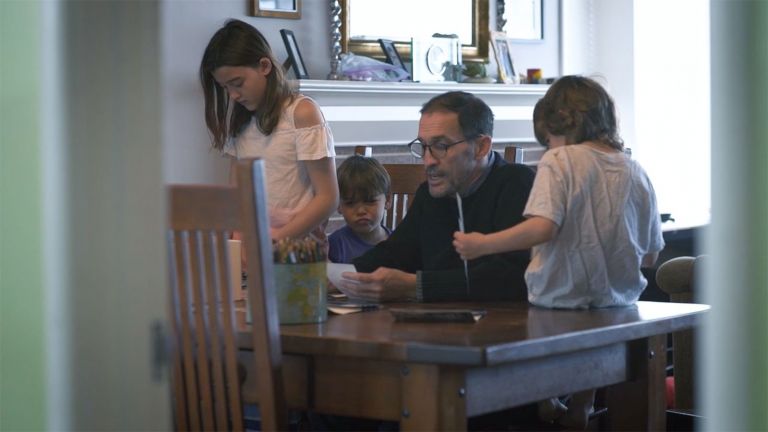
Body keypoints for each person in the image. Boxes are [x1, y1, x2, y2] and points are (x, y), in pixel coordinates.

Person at [453, 75, 665, 429]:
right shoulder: (635, 170)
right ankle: (581, 405)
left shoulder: (561, 160)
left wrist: (482, 244)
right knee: (590, 342)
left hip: (560, 302)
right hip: (618, 307)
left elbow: (543, 227)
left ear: (559, 123)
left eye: (547, 139)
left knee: (521, 326)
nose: (548, 147)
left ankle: (546, 398)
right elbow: (650, 257)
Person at [338, 91, 536, 302]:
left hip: (503, 328)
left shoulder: (516, 183)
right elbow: (395, 253)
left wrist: (415, 287)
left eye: (441, 146)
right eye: (423, 147)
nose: (428, 160)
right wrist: (338, 276)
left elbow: (511, 277)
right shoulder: (430, 193)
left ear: (481, 147)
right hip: (434, 326)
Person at [200, 19, 338, 243]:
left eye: (237, 83)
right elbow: (236, 193)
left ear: (264, 66)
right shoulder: (240, 121)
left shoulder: (302, 112)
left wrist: (273, 242)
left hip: (294, 250)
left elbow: (328, 198)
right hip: (248, 247)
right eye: (226, 87)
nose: (233, 95)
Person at [328, 155, 392, 264]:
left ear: (387, 200)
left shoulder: (399, 244)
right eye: (350, 203)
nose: (361, 211)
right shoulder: (335, 245)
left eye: (370, 201)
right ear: (338, 205)